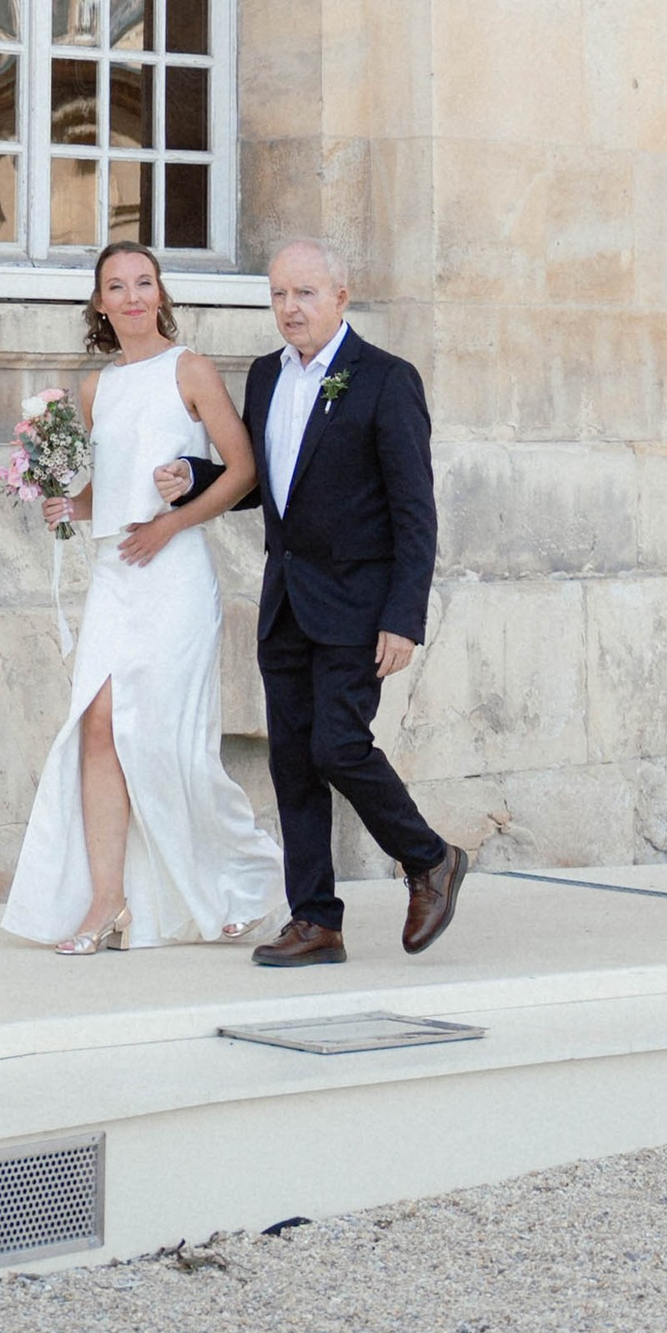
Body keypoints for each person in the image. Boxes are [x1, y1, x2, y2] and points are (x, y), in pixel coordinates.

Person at [2, 241, 284, 955]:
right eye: (116, 287)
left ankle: (237, 881)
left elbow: (243, 468)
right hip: (115, 574)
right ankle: (107, 903)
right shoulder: (97, 388)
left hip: (177, 573)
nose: (132, 296)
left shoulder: (188, 369)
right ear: (99, 303)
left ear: (160, 293)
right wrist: (68, 504)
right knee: (95, 726)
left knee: (165, 741)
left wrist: (173, 521)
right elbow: (106, 488)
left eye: (144, 283)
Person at [239, 238, 468, 967]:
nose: (289, 309)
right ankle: (316, 921)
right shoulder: (262, 378)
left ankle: (429, 858)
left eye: (304, 293)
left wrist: (404, 616)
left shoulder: (385, 380)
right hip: (285, 602)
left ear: (341, 297)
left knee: (337, 745)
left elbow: (415, 511)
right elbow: (263, 479)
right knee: (292, 763)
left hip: (358, 605)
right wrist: (191, 472)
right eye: (278, 295)